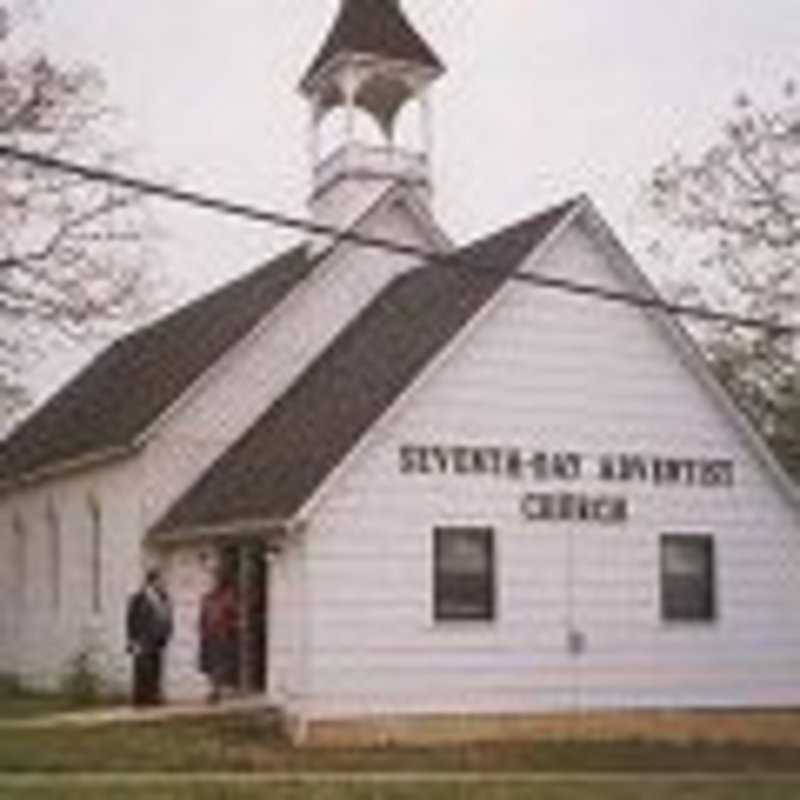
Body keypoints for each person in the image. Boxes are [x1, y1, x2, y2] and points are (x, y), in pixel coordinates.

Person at [126, 568, 173, 707]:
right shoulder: (138, 598)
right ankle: (140, 699)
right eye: (160, 580)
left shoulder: (163, 597)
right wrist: (132, 640)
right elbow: (131, 620)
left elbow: (166, 616)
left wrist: (167, 632)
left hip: (158, 639)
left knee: (156, 668)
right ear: (152, 581)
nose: (162, 583)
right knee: (142, 669)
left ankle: (154, 696)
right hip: (142, 639)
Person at [198, 574, 239, 704]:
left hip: (222, 636)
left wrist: (231, 626)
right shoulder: (207, 599)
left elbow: (235, 615)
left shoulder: (228, 598)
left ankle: (215, 690)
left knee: (220, 665)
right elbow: (202, 619)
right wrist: (203, 633)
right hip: (210, 636)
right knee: (211, 665)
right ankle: (213, 689)